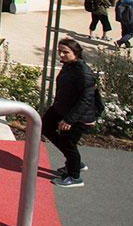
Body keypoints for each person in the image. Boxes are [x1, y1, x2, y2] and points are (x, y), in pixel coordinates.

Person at [42, 38, 101, 187]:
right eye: (59, 51)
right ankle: (74, 162)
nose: (61, 55)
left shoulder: (83, 73)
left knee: (68, 143)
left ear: (76, 53)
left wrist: (69, 120)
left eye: (65, 52)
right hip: (62, 108)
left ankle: (74, 176)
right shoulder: (69, 66)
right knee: (45, 127)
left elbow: (86, 100)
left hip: (78, 116)